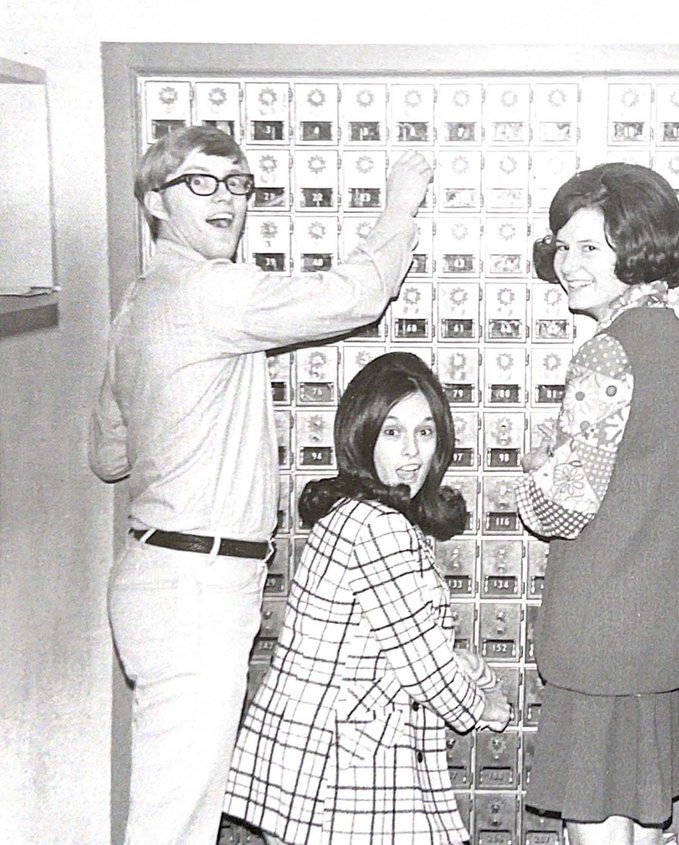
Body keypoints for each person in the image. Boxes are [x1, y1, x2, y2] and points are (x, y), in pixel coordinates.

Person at [87, 124, 432, 845]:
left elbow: (108, 454)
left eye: (238, 183)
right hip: (196, 586)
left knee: (179, 801)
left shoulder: (136, 303)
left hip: (158, 572)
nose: (227, 199)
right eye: (200, 182)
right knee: (171, 819)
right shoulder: (214, 292)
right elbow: (357, 294)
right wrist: (401, 199)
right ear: (156, 202)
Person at [515, 162, 679, 845]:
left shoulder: (606, 353)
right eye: (562, 246)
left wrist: (533, 473)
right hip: (662, 639)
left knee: (592, 825)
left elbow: (563, 508)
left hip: (602, 640)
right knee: (642, 825)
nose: (567, 264)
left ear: (637, 246)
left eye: (590, 247)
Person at [223, 352, 511, 844]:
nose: (412, 453)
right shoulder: (380, 528)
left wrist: (458, 663)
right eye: (393, 432)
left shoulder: (355, 514)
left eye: (425, 432)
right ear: (363, 435)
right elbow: (421, 666)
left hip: (315, 766)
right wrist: (485, 706)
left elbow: (377, 642)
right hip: (341, 774)